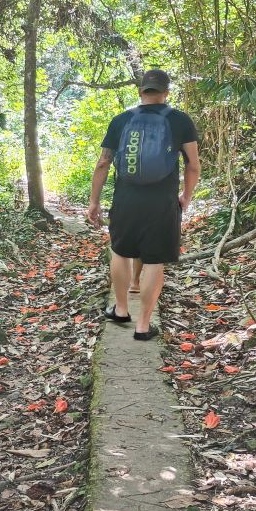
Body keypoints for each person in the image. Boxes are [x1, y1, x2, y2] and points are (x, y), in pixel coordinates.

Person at [86, 69, 200, 340]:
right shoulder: (180, 120)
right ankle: (143, 325)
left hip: (126, 197)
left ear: (140, 92)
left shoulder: (122, 120)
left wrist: (94, 202)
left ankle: (122, 309)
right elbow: (192, 165)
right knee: (154, 261)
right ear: (166, 93)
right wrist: (186, 196)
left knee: (120, 252)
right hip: (162, 200)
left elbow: (103, 162)